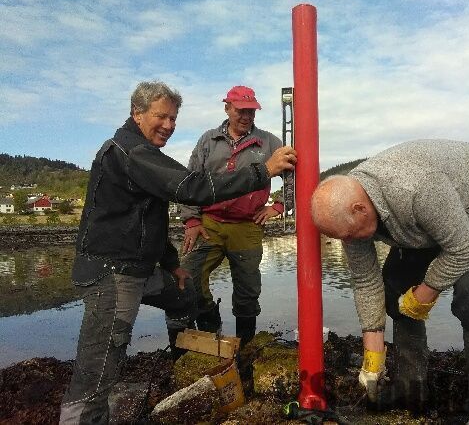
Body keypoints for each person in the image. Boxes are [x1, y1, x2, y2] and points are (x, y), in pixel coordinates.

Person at [59, 81, 296, 424]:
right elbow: (192, 187)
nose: (169, 125)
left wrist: (172, 265)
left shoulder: (145, 153)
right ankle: (85, 416)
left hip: (147, 264)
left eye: (173, 118)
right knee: (97, 372)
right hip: (113, 272)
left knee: (183, 295)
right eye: (161, 117)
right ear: (136, 113)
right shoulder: (132, 152)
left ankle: (197, 352)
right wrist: (263, 172)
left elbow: (150, 218)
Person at [311, 139, 469, 424]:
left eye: (348, 235)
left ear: (360, 208)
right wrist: (373, 354)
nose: (348, 242)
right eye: (341, 237)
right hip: (431, 215)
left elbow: (464, 249)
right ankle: (411, 387)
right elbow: (366, 281)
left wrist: (425, 292)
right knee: (395, 285)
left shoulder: (416, 190)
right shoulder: (348, 216)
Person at [180, 85, 287, 347]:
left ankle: (246, 345)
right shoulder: (208, 140)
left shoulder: (271, 143)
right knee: (188, 276)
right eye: (240, 111)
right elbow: (190, 180)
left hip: (247, 226)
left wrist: (279, 205)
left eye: (251, 111)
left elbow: (295, 176)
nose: (246, 116)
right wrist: (192, 220)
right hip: (209, 223)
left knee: (248, 289)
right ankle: (208, 321)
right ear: (227, 107)